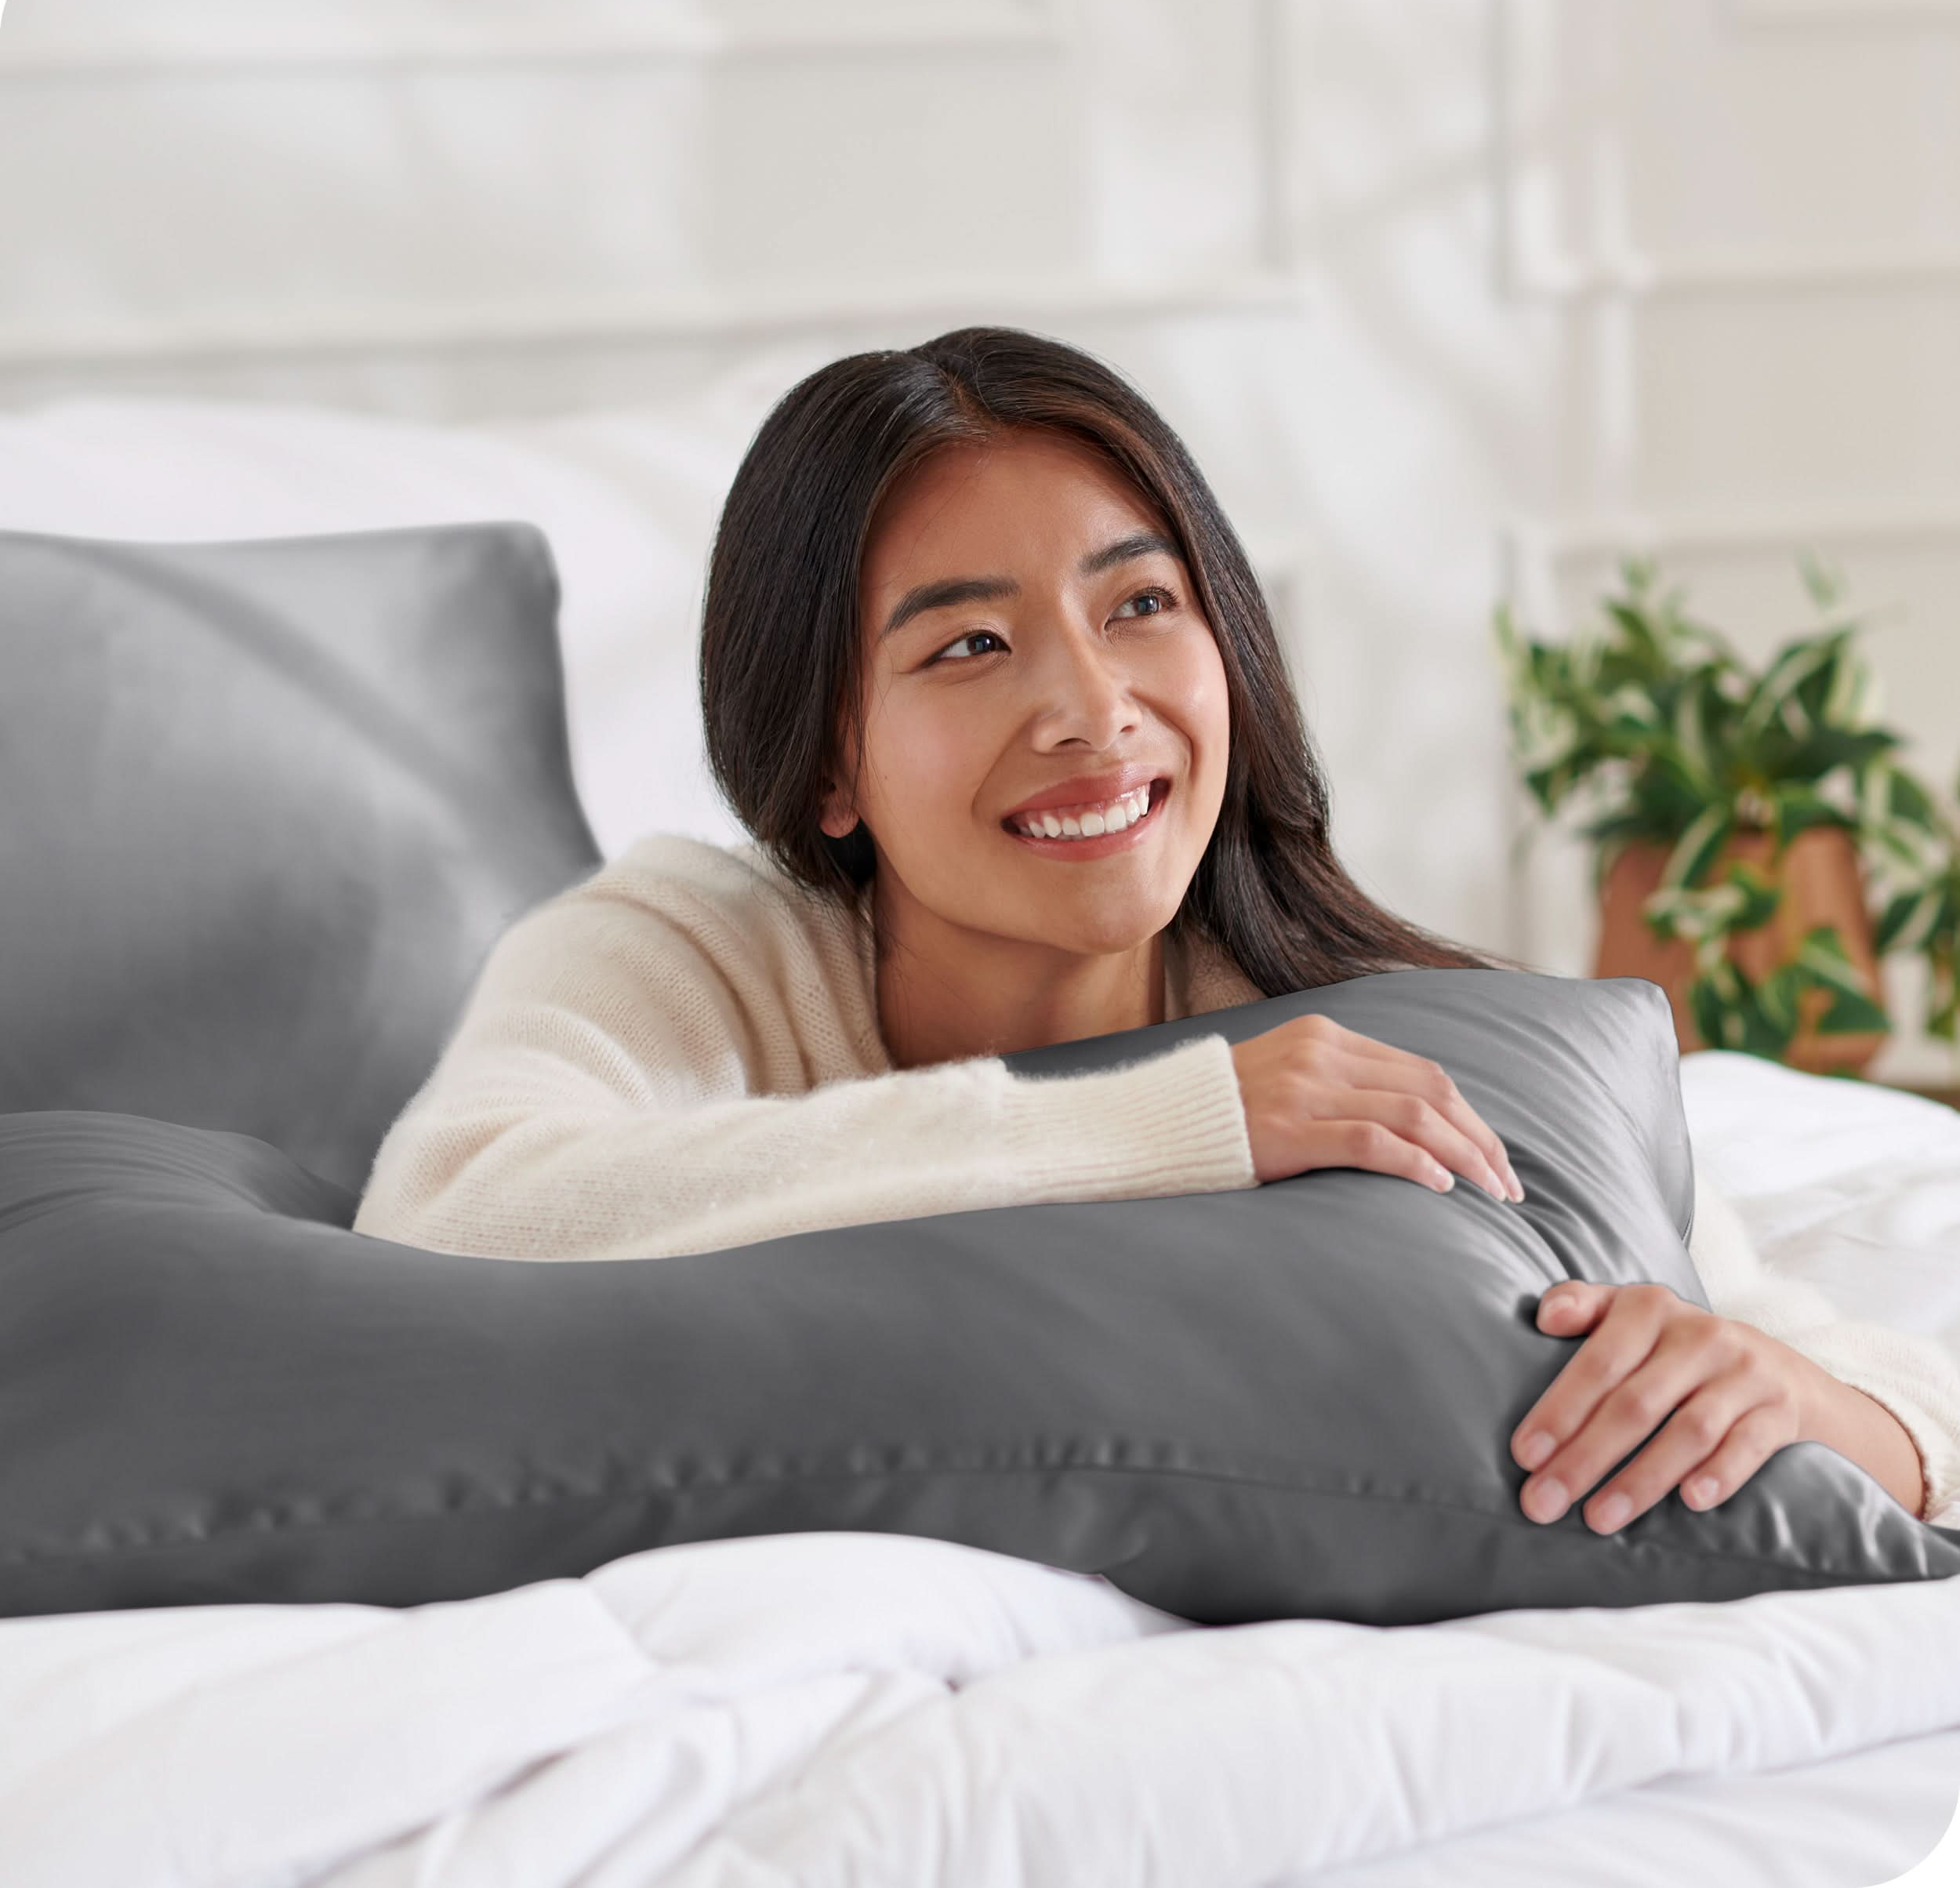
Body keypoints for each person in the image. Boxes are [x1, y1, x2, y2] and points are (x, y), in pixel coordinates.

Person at [354, 324, 1960, 1536]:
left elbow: (1884, 1392)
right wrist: (1172, 1125)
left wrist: (1812, 1404)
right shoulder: (696, 944)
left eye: (1140, 605)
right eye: (969, 643)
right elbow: (451, 1214)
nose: (1090, 709)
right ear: (829, 757)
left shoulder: (1371, 1029)